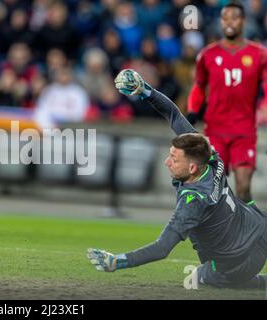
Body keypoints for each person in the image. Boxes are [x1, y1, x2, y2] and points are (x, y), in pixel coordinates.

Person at [87, 69, 267, 290]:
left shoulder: (193, 200)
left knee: (200, 277)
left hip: (237, 265)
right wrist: (145, 90)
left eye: (173, 158)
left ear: (191, 167)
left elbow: (162, 248)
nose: (167, 161)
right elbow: (173, 115)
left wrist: (117, 261)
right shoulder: (210, 157)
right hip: (261, 231)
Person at [186, 1, 267, 203]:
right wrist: (193, 111)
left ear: (244, 21)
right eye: (225, 18)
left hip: (244, 130)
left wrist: (264, 108)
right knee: (213, 188)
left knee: (243, 186)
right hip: (215, 129)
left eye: (234, 17)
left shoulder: (259, 54)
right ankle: (217, 232)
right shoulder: (207, 54)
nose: (229, 22)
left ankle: (250, 229)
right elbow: (198, 86)